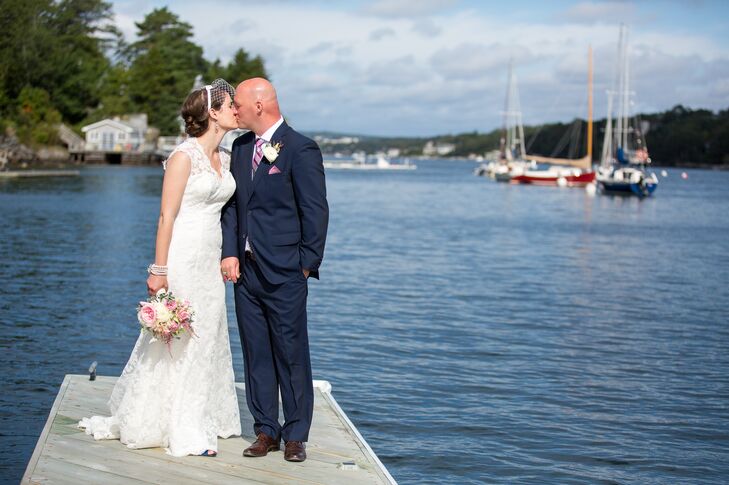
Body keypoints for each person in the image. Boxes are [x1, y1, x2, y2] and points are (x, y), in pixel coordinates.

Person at [79, 79, 241, 457]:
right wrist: (159, 270)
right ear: (213, 112)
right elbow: (166, 216)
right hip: (183, 256)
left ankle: (199, 415)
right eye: (230, 104)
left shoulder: (228, 157)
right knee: (179, 335)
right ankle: (182, 428)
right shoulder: (183, 157)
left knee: (208, 335)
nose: (237, 109)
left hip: (210, 260)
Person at [221, 78, 328, 463]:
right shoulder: (240, 147)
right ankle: (266, 429)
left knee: (291, 352)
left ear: (260, 105)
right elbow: (233, 207)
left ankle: (296, 434)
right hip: (245, 272)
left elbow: (315, 211)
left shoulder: (301, 148)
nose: (235, 110)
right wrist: (230, 252)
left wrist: (305, 266)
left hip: (286, 272)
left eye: (238, 105)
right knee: (256, 352)